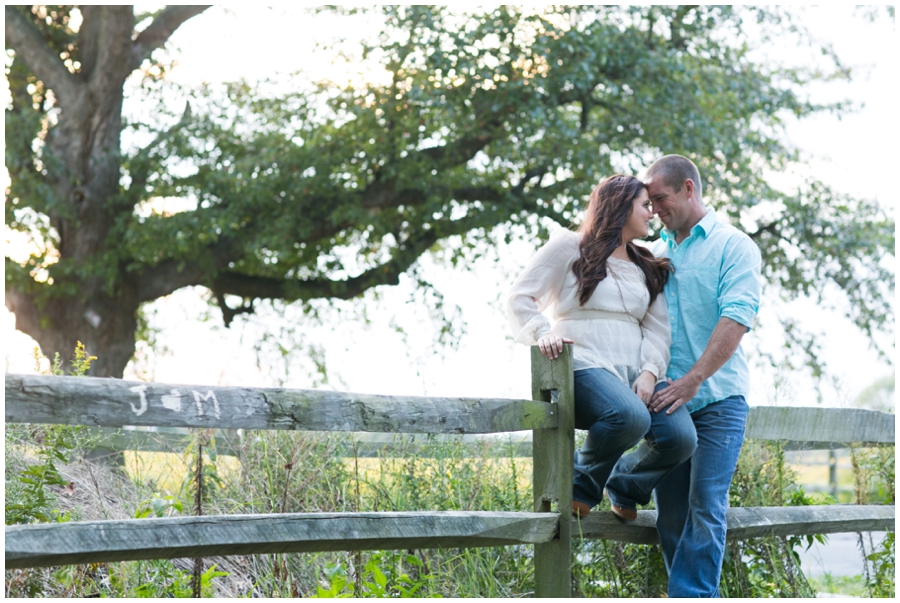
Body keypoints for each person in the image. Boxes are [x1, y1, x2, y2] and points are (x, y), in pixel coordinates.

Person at [605, 155, 762, 597]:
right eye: (649, 202)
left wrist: (693, 379)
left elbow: (736, 317)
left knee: (706, 505)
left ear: (689, 190)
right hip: (665, 403)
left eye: (660, 199)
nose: (653, 210)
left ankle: (691, 597)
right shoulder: (653, 255)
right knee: (671, 513)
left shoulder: (734, 246)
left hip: (718, 399)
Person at [507, 175, 696, 518]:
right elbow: (520, 296)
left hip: (635, 371)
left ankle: (625, 484)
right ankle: (578, 487)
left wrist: (651, 373)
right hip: (584, 363)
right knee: (628, 415)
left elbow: (657, 329)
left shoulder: (646, 263)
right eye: (644, 205)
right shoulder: (570, 246)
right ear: (621, 207)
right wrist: (541, 333)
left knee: (680, 437)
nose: (652, 213)